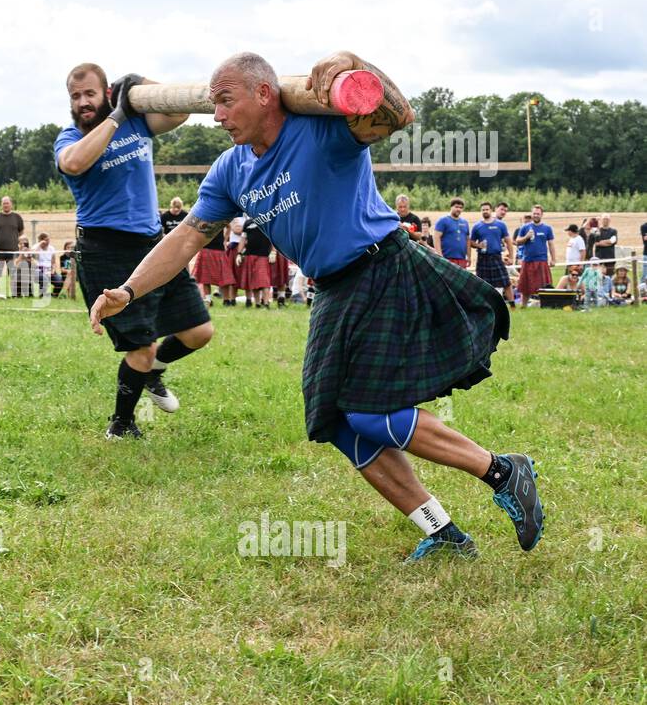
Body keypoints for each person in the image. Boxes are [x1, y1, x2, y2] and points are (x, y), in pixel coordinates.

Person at [90, 49, 542, 562]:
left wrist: (353, 63)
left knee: (372, 414)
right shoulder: (230, 170)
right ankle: (443, 532)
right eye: (212, 104)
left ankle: (504, 471)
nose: (216, 116)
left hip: (382, 268)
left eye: (225, 102)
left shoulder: (322, 131)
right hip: (332, 290)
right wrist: (127, 290)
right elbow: (186, 239)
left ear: (265, 94)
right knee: (335, 420)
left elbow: (399, 115)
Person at [55, 63, 213, 438]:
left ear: (107, 91)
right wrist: (115, 116)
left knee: (199, 332)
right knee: (140, 349)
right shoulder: (69, 137)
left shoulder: (137, 124)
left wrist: (141, 84)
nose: (83, 102)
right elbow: (74, 163)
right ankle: (121, 425)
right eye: (76, 97)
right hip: (106, 250)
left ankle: (155, 371)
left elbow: (180, 110)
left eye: (90, 93)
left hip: (154, 246)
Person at [515, 205, 556, 307]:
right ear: (531, 214)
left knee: (543, 285)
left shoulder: (547, 228)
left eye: (538, 213)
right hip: (528, 260)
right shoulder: (525, 227)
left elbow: (551, 244)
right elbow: (518, 241)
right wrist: (526, 237)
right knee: (526, 286)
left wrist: (553, 259)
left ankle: (545, 305)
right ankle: (523, 306)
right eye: (534, 213)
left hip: (542, 260)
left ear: (542, 214)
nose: (536, 215)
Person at [470, 202, 512, 296]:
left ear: (491, 210)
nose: (485, 211)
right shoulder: (477, 226)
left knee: (505, 282)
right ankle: (483, 304)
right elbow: (471, 242)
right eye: (483, 210)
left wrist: (511, 257)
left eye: (487, 209)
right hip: (482, 258)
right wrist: (478, 245)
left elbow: (508, 241)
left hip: (496, 257)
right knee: (481, 283)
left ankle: (512, 304)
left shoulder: (500, 224)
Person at [236, 214, 273, 308]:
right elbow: (243, 239)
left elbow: (273, 238)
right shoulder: (248, 223)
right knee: (253, 281)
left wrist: (273, 252)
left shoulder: (267, 221)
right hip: (249, 255)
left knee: (264, 281)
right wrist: (239, 253)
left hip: (263, 255)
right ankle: (257, 303)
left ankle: (266, 303)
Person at [0, 197, 24, 294]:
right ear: (1, 204)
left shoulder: (17, 217)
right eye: (4, 203)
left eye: (7, 203)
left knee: (12, 273)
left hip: (12, 251)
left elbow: (21, 232)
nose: (6, 205)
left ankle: (14, 294)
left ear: (11, 204)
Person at [434, 198, 471, 267]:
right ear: (451, 207)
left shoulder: (465, 222)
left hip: (462, 259)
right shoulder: (443, 220)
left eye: (461, 208)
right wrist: (439, 256)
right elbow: (436, 238)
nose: (459, 209)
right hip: (447, 259)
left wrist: (469, 256)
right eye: (456, 207)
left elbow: (468, 240)